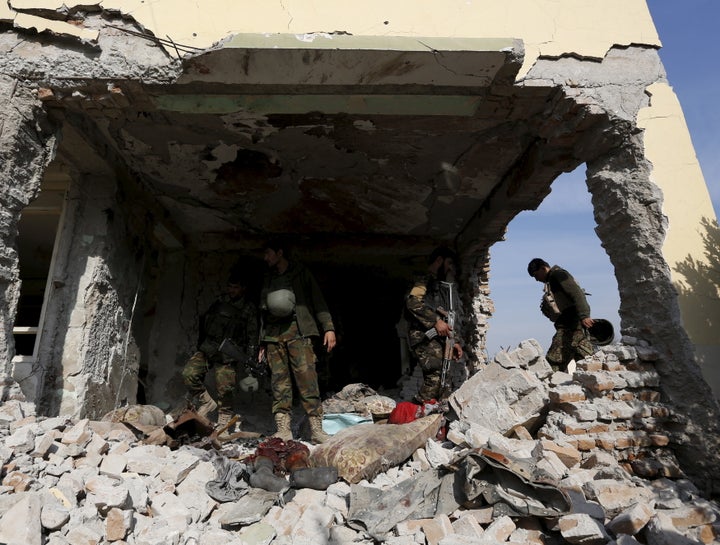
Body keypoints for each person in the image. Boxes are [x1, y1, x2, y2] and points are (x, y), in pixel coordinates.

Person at [258, 239, 336, 444]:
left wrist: (328, 327)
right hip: (274, 335)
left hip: (298, 332)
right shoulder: (268, 278)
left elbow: (318, 300)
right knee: (279, 384)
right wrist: (261, 341)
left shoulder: (300, 273)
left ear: (280, 252)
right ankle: (283, 430)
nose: (265, 258)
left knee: (307, 381)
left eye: (268, 253)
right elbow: (262, 311)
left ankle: (316, 431)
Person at [181, 269, 258, 429]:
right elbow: (207, 322)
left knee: (225, 389)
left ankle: (224, 420)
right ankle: (206, 401)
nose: (231, 290)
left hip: (228, 353)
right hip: (209, 348)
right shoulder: (220, 301)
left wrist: (249, 358)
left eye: (235, 287)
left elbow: (252, 335)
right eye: (230, 287)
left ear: (243, 288)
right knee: (189, 373)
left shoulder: (248, 308)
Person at [404, 246, 463, 404]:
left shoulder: (442, 286)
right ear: (439, 261)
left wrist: (454, 341)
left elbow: (448, 318)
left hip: (440, 338)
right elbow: (413, 302)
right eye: (449, 263)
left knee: (445, 378)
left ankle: (438, 415)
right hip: (422, 335)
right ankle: (417, 409)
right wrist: (435, 321)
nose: (451, 268)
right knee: (435, 374)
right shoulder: (424, 279)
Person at [527, 258, 595, 371]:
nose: (536, 279)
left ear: (543, 268)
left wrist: (584, 315)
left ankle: (548, 383)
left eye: (536, 275)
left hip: (571, 322)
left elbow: (577, 293)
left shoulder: (557, 275)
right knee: (585, 358)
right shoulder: (552, 279)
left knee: (554, 359)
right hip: (570, 322)